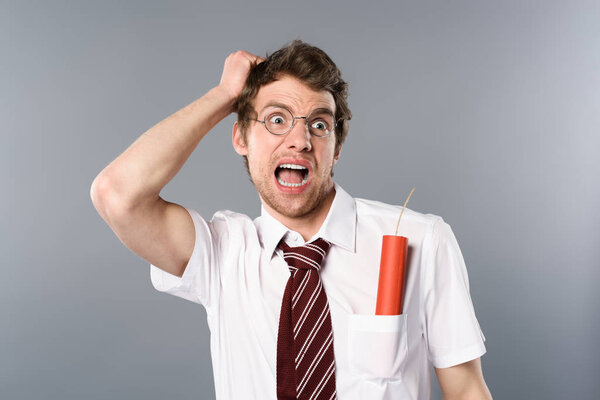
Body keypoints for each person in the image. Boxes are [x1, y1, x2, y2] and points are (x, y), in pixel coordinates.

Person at [90, 40, 492, 400]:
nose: (300, 140)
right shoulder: (221, 254)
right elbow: (117, 194)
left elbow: (466, 390)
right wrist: (223, 95)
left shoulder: (423, 238)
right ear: (241, 139)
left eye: (319, 124)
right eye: (277, 119)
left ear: (336, 148)